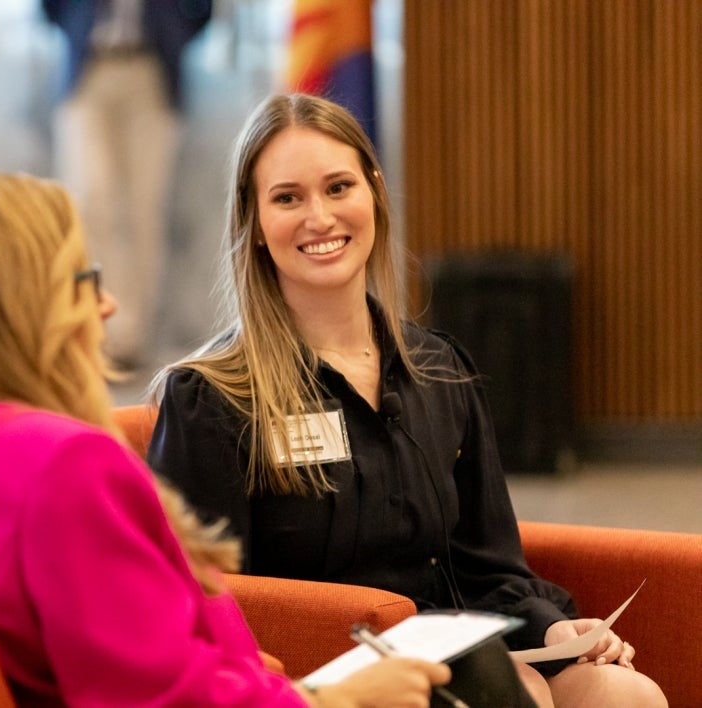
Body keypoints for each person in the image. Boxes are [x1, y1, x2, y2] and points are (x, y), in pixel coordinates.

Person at [0, 172, 451, 706]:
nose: (108, 305)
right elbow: (155, 698)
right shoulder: (62, 464)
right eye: (84, 279)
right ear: (21, 305)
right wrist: (335, 700)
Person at [146, 93, 668, 708]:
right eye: (288, 198)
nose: (319, 217)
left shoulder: (440, 370)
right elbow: (201, 606)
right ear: (255, 224)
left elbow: (486, 562)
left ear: (375, 192)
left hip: (463, 657)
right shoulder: (210, 399)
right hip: (313, 678)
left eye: (338, 187)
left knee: (621, 692)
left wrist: (553, 628)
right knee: (508, 688)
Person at [40, 0, 211, 368]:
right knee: (88, 204)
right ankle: (90, 328)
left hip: (152, 70)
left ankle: (128, 338)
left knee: (143, 209)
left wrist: (175, 34)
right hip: (88, 67)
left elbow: (203, 10)